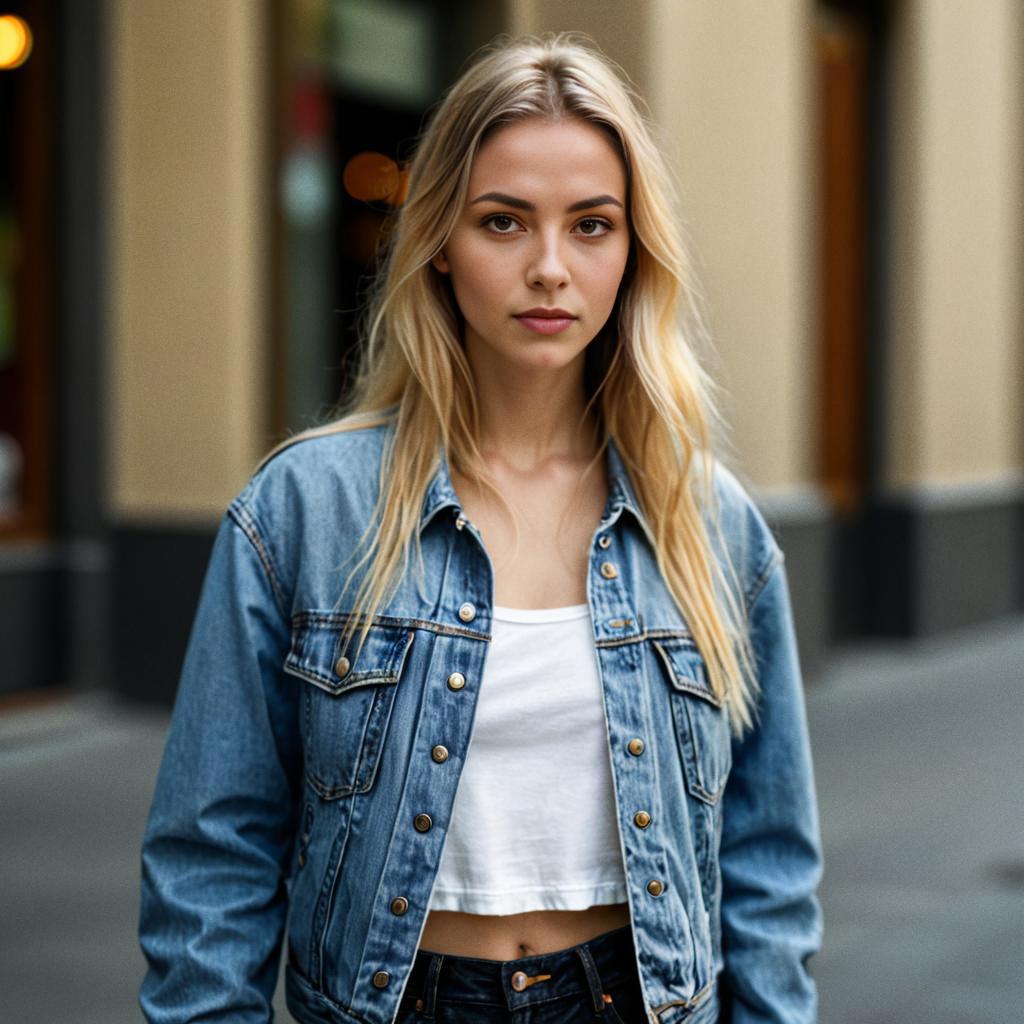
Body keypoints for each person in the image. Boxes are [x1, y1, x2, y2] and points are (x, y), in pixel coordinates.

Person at [138, 31, 822, 1024]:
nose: (550, 267)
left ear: (634, 253)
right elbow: (214, 852)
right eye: (504, 222)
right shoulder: (306, 509)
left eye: (592, 226)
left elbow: (767, 859)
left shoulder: (709, 523)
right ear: (440, 245)